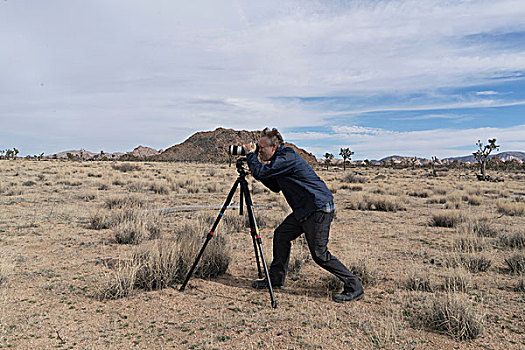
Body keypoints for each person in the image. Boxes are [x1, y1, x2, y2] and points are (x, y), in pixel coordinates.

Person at [243, 128, 364, 303]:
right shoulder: (279, 160)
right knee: (281, 235)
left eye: (261, 148)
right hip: (304, 209)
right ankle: (276, 279)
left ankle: (355, 286)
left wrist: (250, 157)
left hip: (317, 208)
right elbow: (276, 186)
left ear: (274, 147)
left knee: (319, 254)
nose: (258, 151)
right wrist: (256, 171)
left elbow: (262, 172)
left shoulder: (286, 157)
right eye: (257, 148)